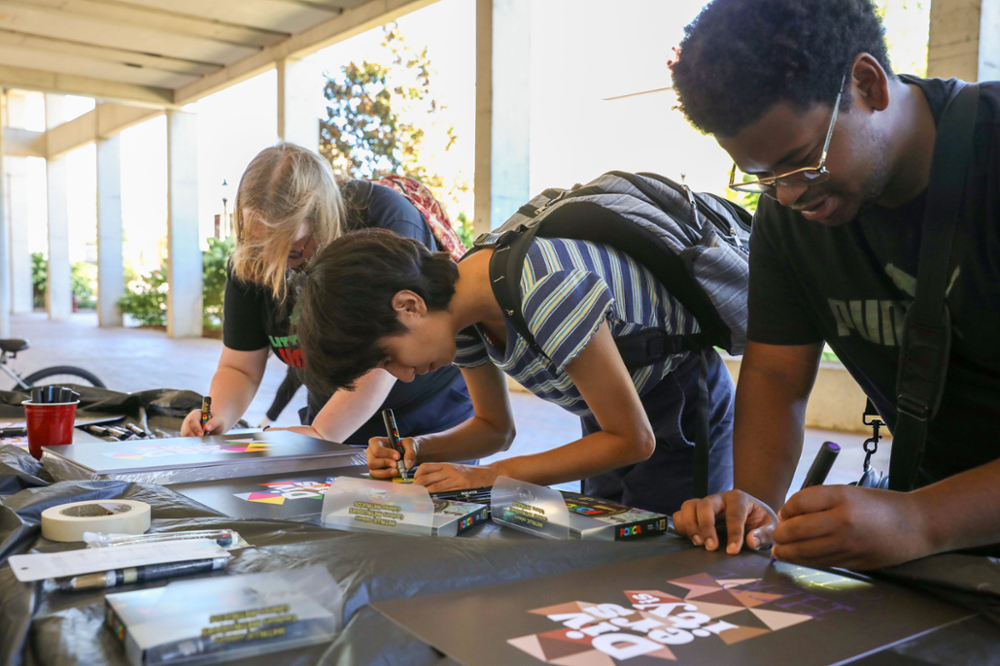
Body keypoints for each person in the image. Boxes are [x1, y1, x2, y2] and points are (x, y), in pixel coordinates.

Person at [667, 0, 1000, 569]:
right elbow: (776, 375)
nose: (790, 195)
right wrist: (753, 505)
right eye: (762, 177)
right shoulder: (790, 215)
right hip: (946, 546)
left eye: (801, 162)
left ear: (867, 84)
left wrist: (921, 519)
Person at [295, 228, 735, 515]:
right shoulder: (462, 318)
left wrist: (486, 476)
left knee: (662, 561)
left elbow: (634, 440)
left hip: (677, 403)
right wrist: (416, 447)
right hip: (608, 420)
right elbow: (494, 428)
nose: (403, 376)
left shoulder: (543, 289)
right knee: (610, 544)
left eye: (388, 358)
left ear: (409, 306)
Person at [180, 143, 475, 444]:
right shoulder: (252, 260)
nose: (275, 264)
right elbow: (239, 367)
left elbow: (387, 350)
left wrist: (323, 434)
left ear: (323, 218)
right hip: (333, 414)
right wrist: (217, 416)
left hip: (428, 415)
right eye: (260, 248)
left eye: (293, 250)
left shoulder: (383, 221)